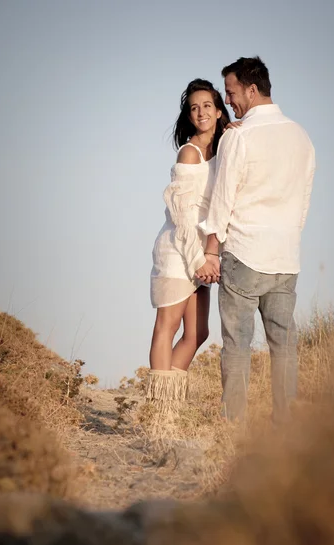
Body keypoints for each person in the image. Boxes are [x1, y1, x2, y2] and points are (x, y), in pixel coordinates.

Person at [197, 56, 316, 424]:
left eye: (231, 93)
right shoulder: (302, 136)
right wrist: (288, 237)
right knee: (284, 346)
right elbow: (303, 202)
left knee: (237, 345)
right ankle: (286, 427)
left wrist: (211, 250)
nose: (229, 101)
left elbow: (222, 198)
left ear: (251, 89)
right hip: (285, 257)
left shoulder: (239, 136)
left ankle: (235, 426)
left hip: (244, 254)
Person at [147, 79, 230, 405]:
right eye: (194, 107)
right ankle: (159, 411)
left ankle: (168, 402)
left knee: (198, 333)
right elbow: (182, 217)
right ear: (189, 115)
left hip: (201, 254)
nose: (201, 112)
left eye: (207, 105)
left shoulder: (222, 150)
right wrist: (198, 260)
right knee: (166, 327)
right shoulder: (189, 153)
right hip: (178, 252)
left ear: (218, 109)